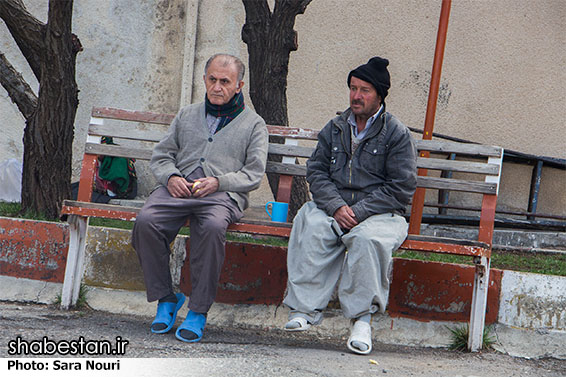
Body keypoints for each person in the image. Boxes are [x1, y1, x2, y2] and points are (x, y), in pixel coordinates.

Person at [282, 56, 417, 355]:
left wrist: (358, 212)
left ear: (379, 95)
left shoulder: (396, 133)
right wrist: (336, 206)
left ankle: (362, 321)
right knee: (312, 225)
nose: (356, 96)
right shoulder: (336, 127)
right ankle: (304, 310)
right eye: (353, 88)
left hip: (380, 213)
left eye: (364, 90)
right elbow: (316, 171)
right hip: (336, 207)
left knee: (367, 240)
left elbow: (401, 188)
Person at [132, 53, 268, 343]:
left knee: (213, 228)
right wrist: (171, 177)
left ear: (239, 85)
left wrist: (220, 181)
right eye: (212, 80)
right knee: (146, 221)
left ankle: (198, 310)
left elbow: (253, 174)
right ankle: (166, 298)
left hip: (221, 196)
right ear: (205, 80)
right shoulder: (186, 114)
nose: (217, 87)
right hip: (177, 190)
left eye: (225, 81)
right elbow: (162, 156)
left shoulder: (254, 124)